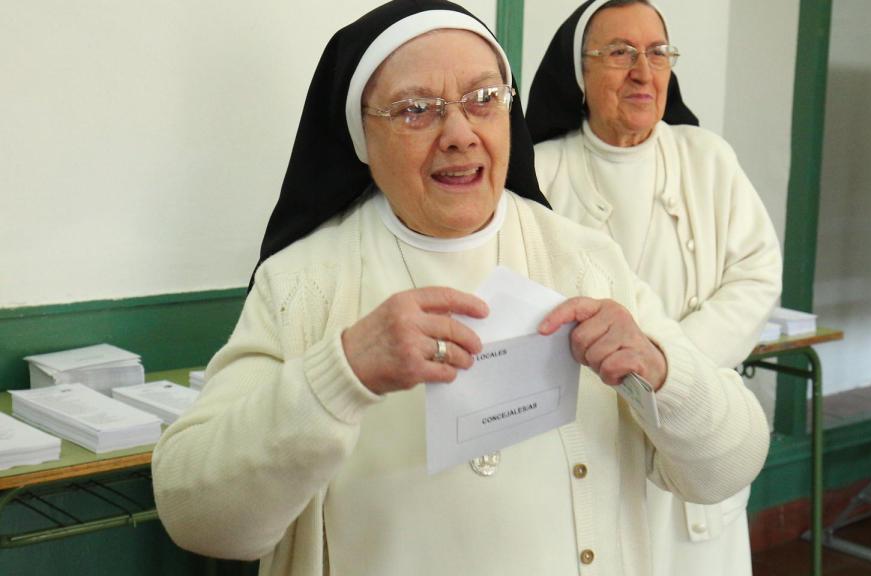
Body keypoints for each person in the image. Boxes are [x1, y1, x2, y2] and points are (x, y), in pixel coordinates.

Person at [151, 2, 770, 575]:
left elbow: (732, 463)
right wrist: (341, 373)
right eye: (416, 108)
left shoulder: (585, 261)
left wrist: (662, 373)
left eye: (482, 99)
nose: (459, 133)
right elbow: (199, 518)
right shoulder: (303, 284)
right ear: (361, 137)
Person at [527, 1, 783, 575]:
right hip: (584, 439)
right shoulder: (539, 174)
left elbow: (757, 272)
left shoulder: (707, 159)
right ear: (580, 73)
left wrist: (668, 371)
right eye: (620, 53)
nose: (644, 71)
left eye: (658, 53)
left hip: (693, 437)